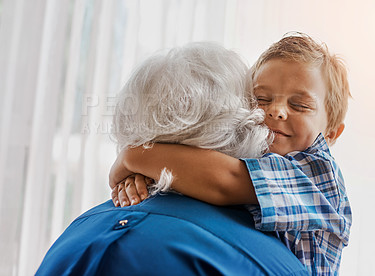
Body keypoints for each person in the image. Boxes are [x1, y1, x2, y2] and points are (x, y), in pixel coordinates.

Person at [36, 42, 308, 275]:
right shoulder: (268, 262)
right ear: (243, 126)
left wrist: (133, 157)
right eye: (261, 100)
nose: (272, 115)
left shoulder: (76, 235)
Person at [110, 33, 352, 275]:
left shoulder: (318, 174)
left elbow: (224, 181)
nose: (276, 111)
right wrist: (145, 179)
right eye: (262, 99)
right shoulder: (253, 158)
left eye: (299, 105)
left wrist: (132, 158)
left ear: (331, 133)